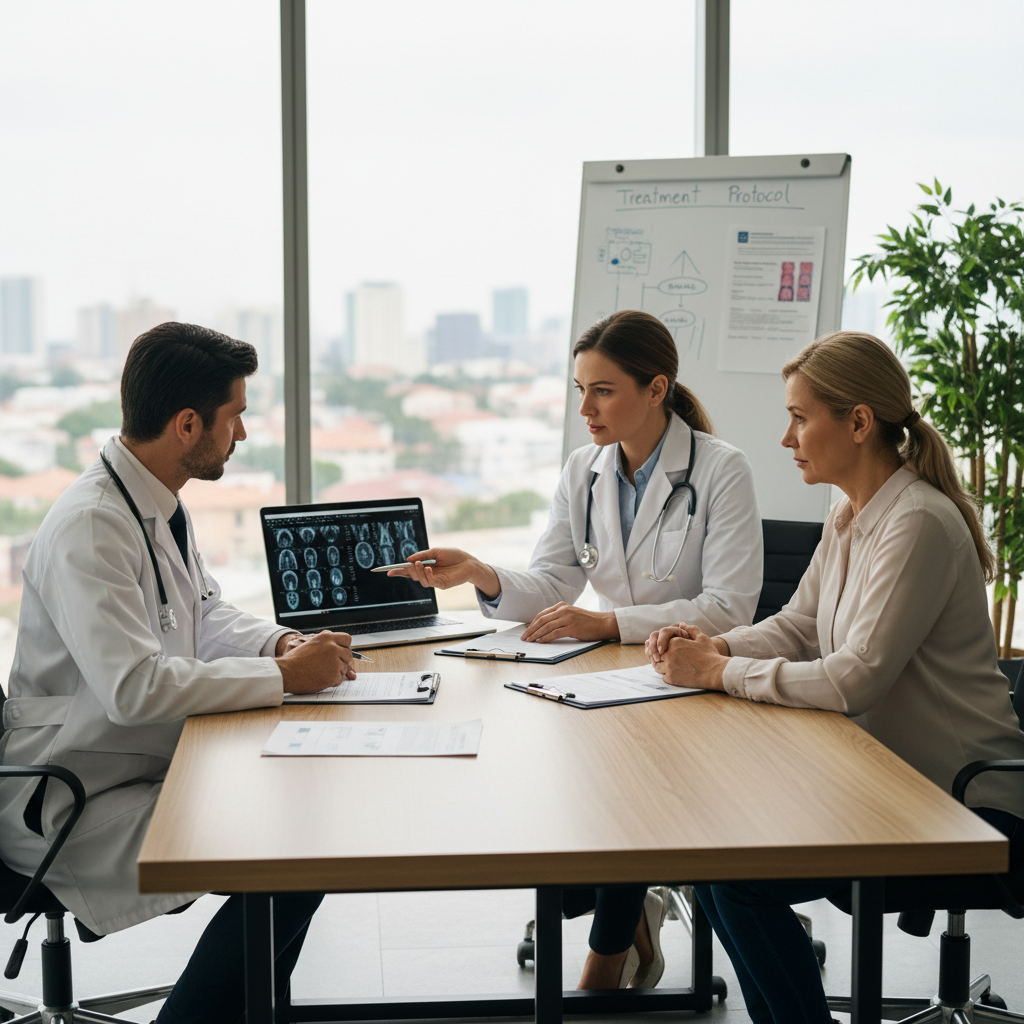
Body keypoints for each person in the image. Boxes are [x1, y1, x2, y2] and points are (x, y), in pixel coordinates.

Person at [645, 330, 1024, 1024]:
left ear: (857, 422)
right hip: (886, 781)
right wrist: (714, 641)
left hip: (964, 802)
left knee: (737, 880)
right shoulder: (850, 513)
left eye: (799, 416)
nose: (788, 437)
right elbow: (797, 624)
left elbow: (855, 680)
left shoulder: (917, 523)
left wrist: (720, 671)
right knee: (714, 857)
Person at [390, 309, 765, 988]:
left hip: (691, 681)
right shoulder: (585, 470)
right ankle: (623, 920)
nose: (586, 409)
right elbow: (554, 581)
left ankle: (607, 955)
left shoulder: (720, 470)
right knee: (574, 785)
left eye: (604, 390)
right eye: (579, 390)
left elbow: (728, 607)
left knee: (627, 791)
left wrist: (606, 625)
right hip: (614, 682)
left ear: (657, 390)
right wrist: (479, 571)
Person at [0, 323, 354, 1023]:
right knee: (286, 857)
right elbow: (135, 689)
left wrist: (282, 644)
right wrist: (288, 680)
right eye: (236, 417)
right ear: (187, 423)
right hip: (72, 796)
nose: (242, 435)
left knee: (301, 839)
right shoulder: (93, 526)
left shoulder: (153, 501)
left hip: (132, 767)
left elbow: (203, 614)